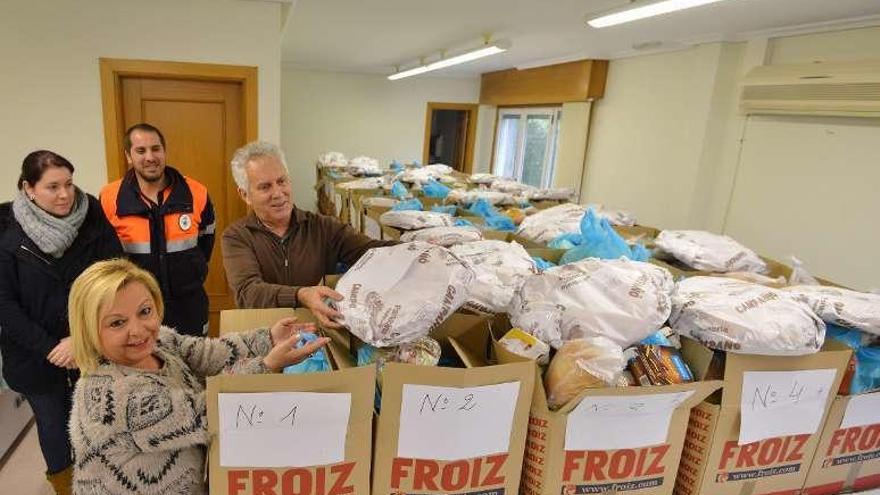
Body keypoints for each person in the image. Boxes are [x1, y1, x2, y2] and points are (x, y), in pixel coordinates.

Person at [67, 258, 328, 495]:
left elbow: (208, 353)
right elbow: (208, 413)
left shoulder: (159, 341)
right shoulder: (113, 398)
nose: (138, 330)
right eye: (117, 323)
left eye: (145, 312)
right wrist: (267, 364)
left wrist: (269, 338)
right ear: (89, 330)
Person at [0, 150, 123, 495]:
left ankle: (101, 484)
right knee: (53, 426)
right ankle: (64, 485)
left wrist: (79, 339)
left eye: (69, 183)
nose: (65, 194)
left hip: (90, 345)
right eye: (52, 187)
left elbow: (114, 276)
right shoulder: (6, 232)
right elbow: (4, 305)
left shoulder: (93, 215)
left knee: (96, 423)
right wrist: (50, 346)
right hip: (35, 355)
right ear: (28, 188)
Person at [222, 141, 396, 328]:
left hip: (317, 331)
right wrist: (301, 295)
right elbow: (248, 293)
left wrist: (416, 244)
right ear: (245, 195)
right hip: (265, 335)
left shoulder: (323, 227)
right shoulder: (237, 237)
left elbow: (371, 251)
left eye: (282, 181)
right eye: (265, 187)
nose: (278, 193)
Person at [100, 123, 216, 336]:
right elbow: (104, 257)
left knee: (195, 364)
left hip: (188, 306)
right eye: (141, 151)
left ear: (164, 151)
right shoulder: (109, 198)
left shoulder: (197, 192)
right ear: (128, 156)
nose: (150, 157)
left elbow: (206, 244)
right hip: (133, 310)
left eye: (156, 149)